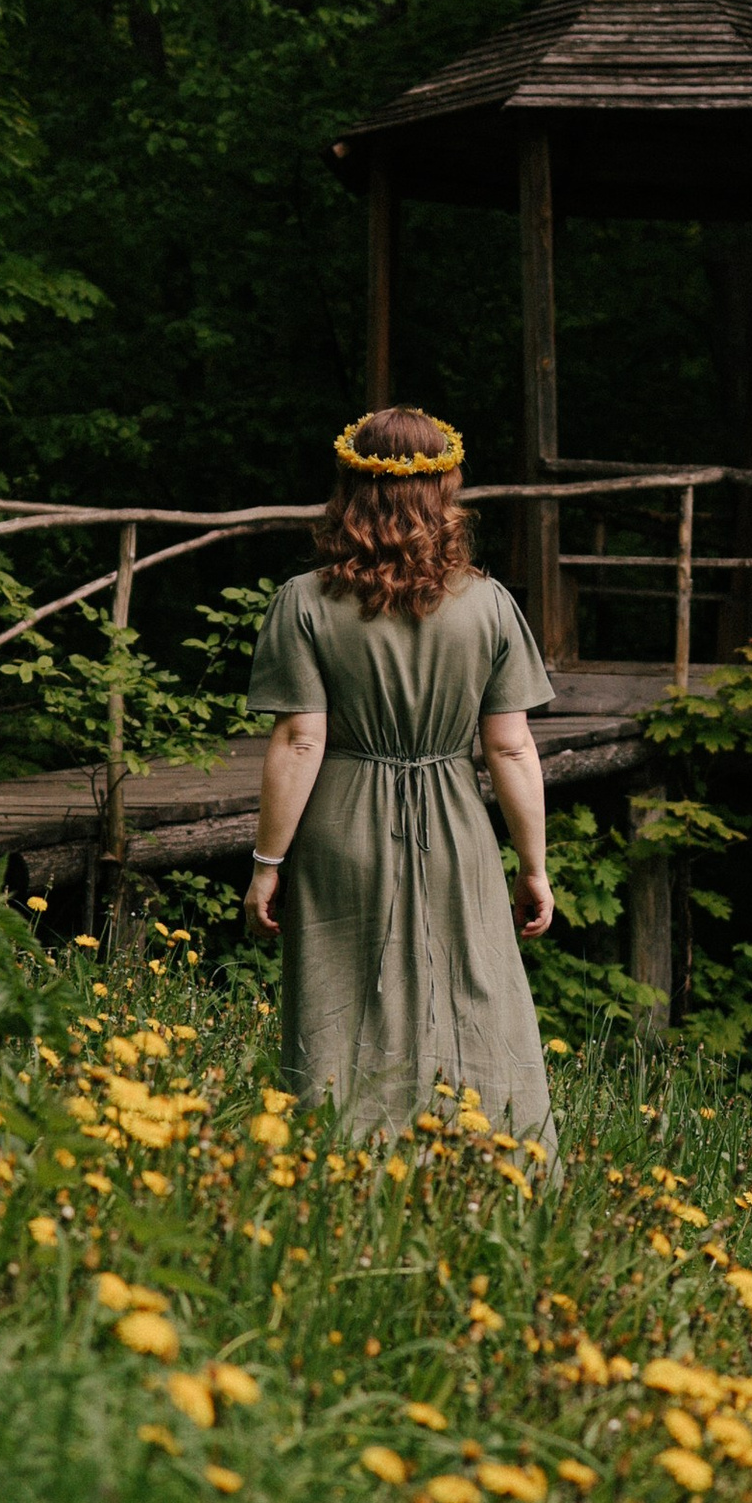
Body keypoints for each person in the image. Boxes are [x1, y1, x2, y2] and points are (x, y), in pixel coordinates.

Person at [243, 406, 557, 1146]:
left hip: (341, 824)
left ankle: (341, 1154)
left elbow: (297, 742)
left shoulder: (305, 602)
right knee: (473, 989)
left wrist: (266, 864)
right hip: (456, 827)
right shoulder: (489, 605)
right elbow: (511, 750)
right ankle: (488, 1154)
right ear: (445, 488)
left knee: (340, 994)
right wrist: (534, 866)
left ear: (350, 489)